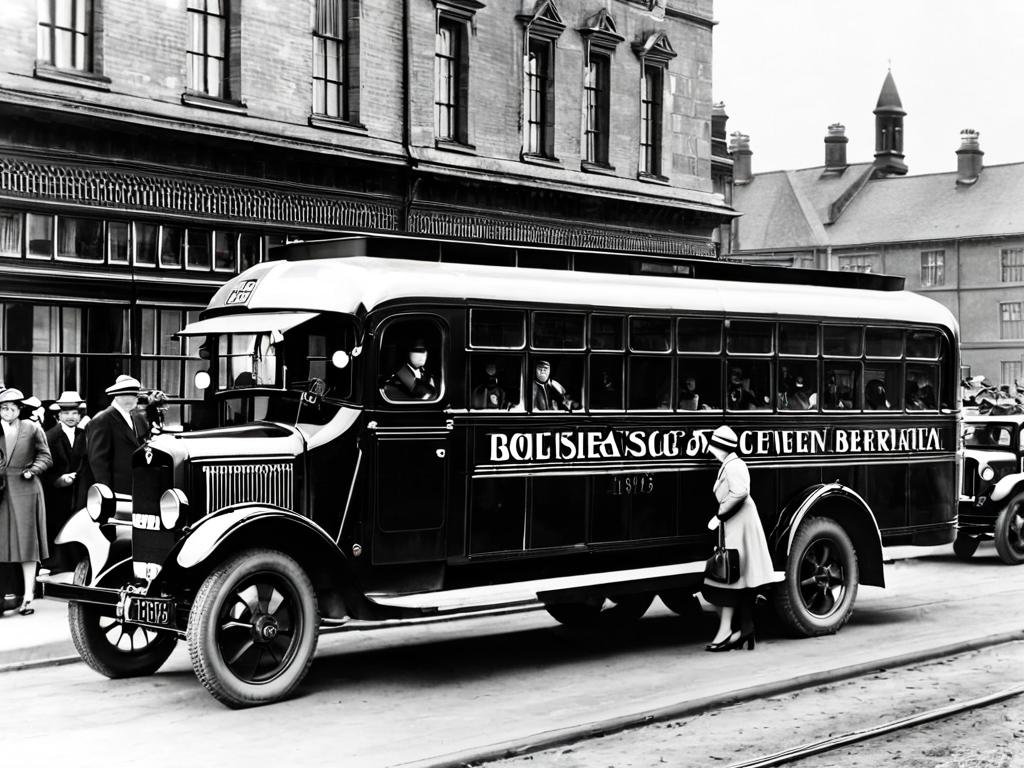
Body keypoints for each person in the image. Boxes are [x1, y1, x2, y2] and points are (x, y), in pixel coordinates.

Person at [702, 425, 782, 652]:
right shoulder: (730, 464)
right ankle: (743, 630)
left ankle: (730, 631)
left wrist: (719, 515)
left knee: (732, 578)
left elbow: (739, 492)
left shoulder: (734, 466)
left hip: (740, 524)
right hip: (738, 523)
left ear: (720, 448)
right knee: (740, 579)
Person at [0, 388, 54, 616]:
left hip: (25, 487)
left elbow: (46, 456)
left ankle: (29, 595)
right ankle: (6, 596)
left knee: (27, 544)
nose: (7, 411)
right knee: (3, 544)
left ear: (20, 409)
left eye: (12, 407)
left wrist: (33, 470)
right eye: (3, 407)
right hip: (1, 489)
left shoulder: (32, 428)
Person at [76, 375, 149, 499]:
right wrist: (107, 495)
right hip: (116, 492)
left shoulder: (139, 418)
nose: (129, 399)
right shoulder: (102, 420)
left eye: (133, 395)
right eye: (124, 395)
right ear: (115, 395)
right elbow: (99, 462)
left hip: (139, 488)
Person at [42, 391, 88, 574]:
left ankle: (77, 565)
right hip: (57, 494)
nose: (71, 417)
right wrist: (57, 480)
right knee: (58, 526)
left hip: (80, 492)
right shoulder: (49, 436)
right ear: (58, 415)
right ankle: (57, 565)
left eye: (75, 413)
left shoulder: (85, 435)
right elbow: (42, 466)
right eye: (66, 413)